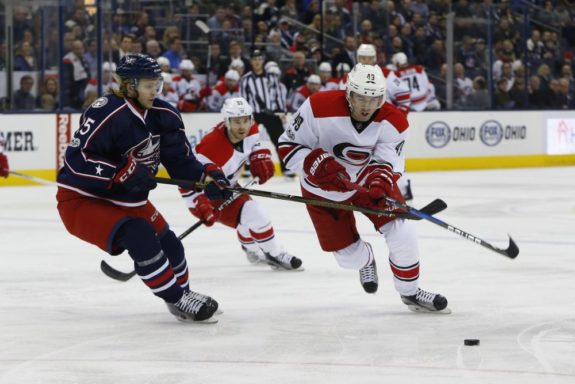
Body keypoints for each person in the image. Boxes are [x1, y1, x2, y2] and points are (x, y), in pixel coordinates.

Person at [56, 54, 231, 323]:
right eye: (148, 85)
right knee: (140, 236)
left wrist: (206, 176)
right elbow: (75, 160)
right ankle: (176, 298)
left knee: (171, 246)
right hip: (83, 199)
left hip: (129, 199)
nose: (155, 91)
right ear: (128, 85)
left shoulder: (164, 115)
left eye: (157, 84)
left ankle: (182, 296)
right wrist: (119, 172)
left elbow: (181, 162)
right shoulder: (106, 111)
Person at [278, 64, 449, 313]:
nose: (367, 105)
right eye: (361, 97)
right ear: (349, 93)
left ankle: (410, 292)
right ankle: (365, 259)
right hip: (321, 188)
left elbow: (387, 161)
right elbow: (287, 146)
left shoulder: (394, 120)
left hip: (367, 183)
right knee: (347, 256)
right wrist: (315, 164)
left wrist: (380, 180)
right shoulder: (318, 106)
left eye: (374, 98)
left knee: (403, 231)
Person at [180, 97, 303, 270]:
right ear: (227, 121)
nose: (242, 126)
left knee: (249, 217)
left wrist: (260, 156)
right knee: (256, 214)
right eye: (237, 121)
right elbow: (186, 180)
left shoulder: (251, 128)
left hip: (228, 186)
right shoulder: (211, 146)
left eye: (246, 120)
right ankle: (275, 254)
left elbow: (255, 145)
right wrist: (199, 204)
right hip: (204, 197)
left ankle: (251, 249)